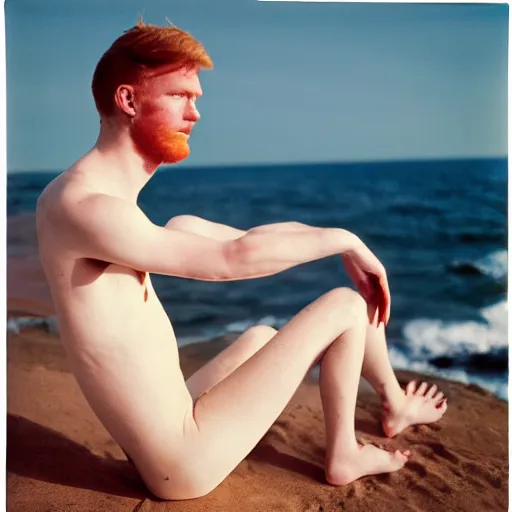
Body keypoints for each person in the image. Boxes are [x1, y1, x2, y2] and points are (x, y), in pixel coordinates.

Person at [36, 20, 448, 501]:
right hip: (182, 462)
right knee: (344, 306)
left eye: (197, 99)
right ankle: (344, 455)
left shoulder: (113, 210)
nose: (195, 114)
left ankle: (393, 403)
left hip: (169, 429)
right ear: (128, 101)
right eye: (180, 96)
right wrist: (347, 239)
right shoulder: (85, 207)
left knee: (259, 336)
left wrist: (341, 246)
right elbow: (230, 260)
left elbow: (253, 237)